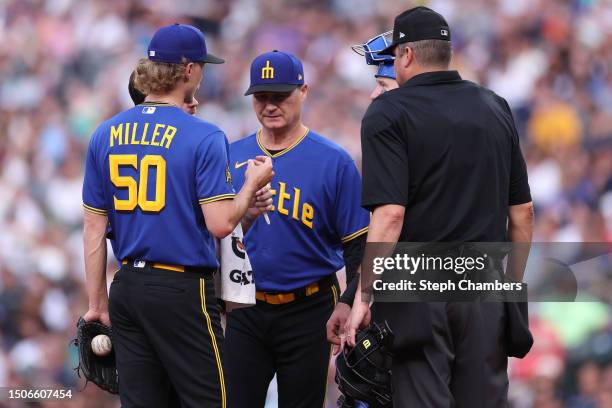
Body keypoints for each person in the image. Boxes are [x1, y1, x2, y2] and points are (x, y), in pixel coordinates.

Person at [346, 6, 534, 408]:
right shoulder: (495, 106)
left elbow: (390, 215)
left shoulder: (388, 111)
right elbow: (522, 213)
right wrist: (510, 285)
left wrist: (363, 297)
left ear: (407, 56)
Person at [81, 23, 273, 408]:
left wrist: (97, 304)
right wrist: (252, 184)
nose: (203, 73)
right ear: (188, 70)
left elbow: (93, 228)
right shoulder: (202, 135)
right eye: (201, 65)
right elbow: (220, 224)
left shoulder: (105, 133)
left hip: (128, 286)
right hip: (181, 291)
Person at [224, 50, 370, 408]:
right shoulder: (229, 155)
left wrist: (350, 302)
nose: (270, 105)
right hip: (245, 308)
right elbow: (213, 236)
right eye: (262, 97)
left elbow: (357, 246)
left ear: (303, 91)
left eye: (281, 96)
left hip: (310, 310)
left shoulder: (333, 161)